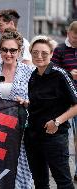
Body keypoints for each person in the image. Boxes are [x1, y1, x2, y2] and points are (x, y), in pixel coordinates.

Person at [0, 30, 34, 189]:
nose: (8, 54)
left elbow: (38, 100)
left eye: (13, 50)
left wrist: (26, 102)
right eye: (4, 49)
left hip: (21, 130)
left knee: (20, 166)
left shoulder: (29, 71)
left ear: (19, 51)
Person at [23, 35, 76, 189]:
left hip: (54, 137)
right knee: (40, 183)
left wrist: (57, 121)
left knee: (64, 182)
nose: (39, 56)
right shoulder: (33, 76)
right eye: (35, 52)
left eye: (44, 53)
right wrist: (27, 103)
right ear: (30, 53)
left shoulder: (60, 75)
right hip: (33, 136)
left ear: (52, 54)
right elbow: (41, 102)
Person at [51, 21, 77, 181]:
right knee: (62, 137)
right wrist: (69, 74)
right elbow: (52, 71)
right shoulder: (59, 50)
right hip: (64, 100)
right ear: (68, 33)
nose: (76, 42)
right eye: (75, 39)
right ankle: (62, 169)